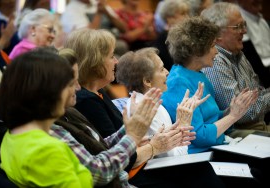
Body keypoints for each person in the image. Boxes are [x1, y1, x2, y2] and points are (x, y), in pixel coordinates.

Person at [50, 48, 195, 187]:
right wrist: (136, 138)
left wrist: (130, 130)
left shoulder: (72, 112)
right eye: (71, 82)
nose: (78, 87)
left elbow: (101, 144)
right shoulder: (65, 120)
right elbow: (99, 171)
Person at [115, 47, 225, 188]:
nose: (167, 72)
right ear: (147, 81)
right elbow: (175, 158)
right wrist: (184, 123)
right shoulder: (145, 109)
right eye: (161, 70)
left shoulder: (149, 102)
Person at [0, 48, 93, 187]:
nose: (75, 89)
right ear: (47, 93)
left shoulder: (11, 136)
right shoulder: (46, 151)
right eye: (69, 85)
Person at [162, 16, 257, 154]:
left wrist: (233, 109)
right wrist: (233, 116)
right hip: (201, 155)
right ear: (196, 50)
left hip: (218, 145)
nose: (217, 52)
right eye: (212, 46)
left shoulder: (198, 74)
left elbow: (212, 118)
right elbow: (200, 137)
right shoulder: (178, 83)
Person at [201, 2, 270, 133]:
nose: (244, 31)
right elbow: (243, 114)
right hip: (237, 132)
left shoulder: (237, 53)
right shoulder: (215, 62)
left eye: (244, 25)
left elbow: (258, 93)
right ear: (217, 33)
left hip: (257, 126)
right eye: (237, 27)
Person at [153, 0, 190, 71]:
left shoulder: (185, 34)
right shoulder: (163, 39)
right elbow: (171, 64)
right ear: (169, 18)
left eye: (187, 13)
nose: (187, 17)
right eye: (183, 14)